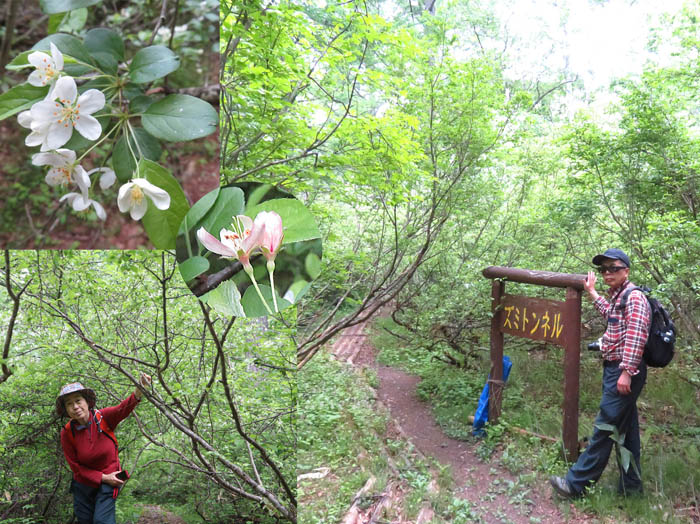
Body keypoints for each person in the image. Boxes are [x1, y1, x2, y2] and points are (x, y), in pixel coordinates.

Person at [550, 248, 650, 498]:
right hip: (617, 370)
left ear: (626, 270)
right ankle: (632, 490)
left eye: (613, 268)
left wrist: (626, 372)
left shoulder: (634, 297)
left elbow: (637, 337)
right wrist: (592, 292)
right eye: (603, 269)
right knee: (627, 434)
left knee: (604, 428)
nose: (607, 273)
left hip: (624, 371)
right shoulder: (619, 297)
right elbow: (611, 315)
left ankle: (575, 485)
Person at [56, 373, 151, 524]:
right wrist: (101, 477)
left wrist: (140, 387)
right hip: (83, 485)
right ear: (66, 410)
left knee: (102, 521)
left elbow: (123, 408)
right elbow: (76, 468)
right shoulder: (67, 433)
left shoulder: (102, 417)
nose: (75, 406)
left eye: (78, 400)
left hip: (110, 480)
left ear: (87, 402)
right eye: (69, 403)